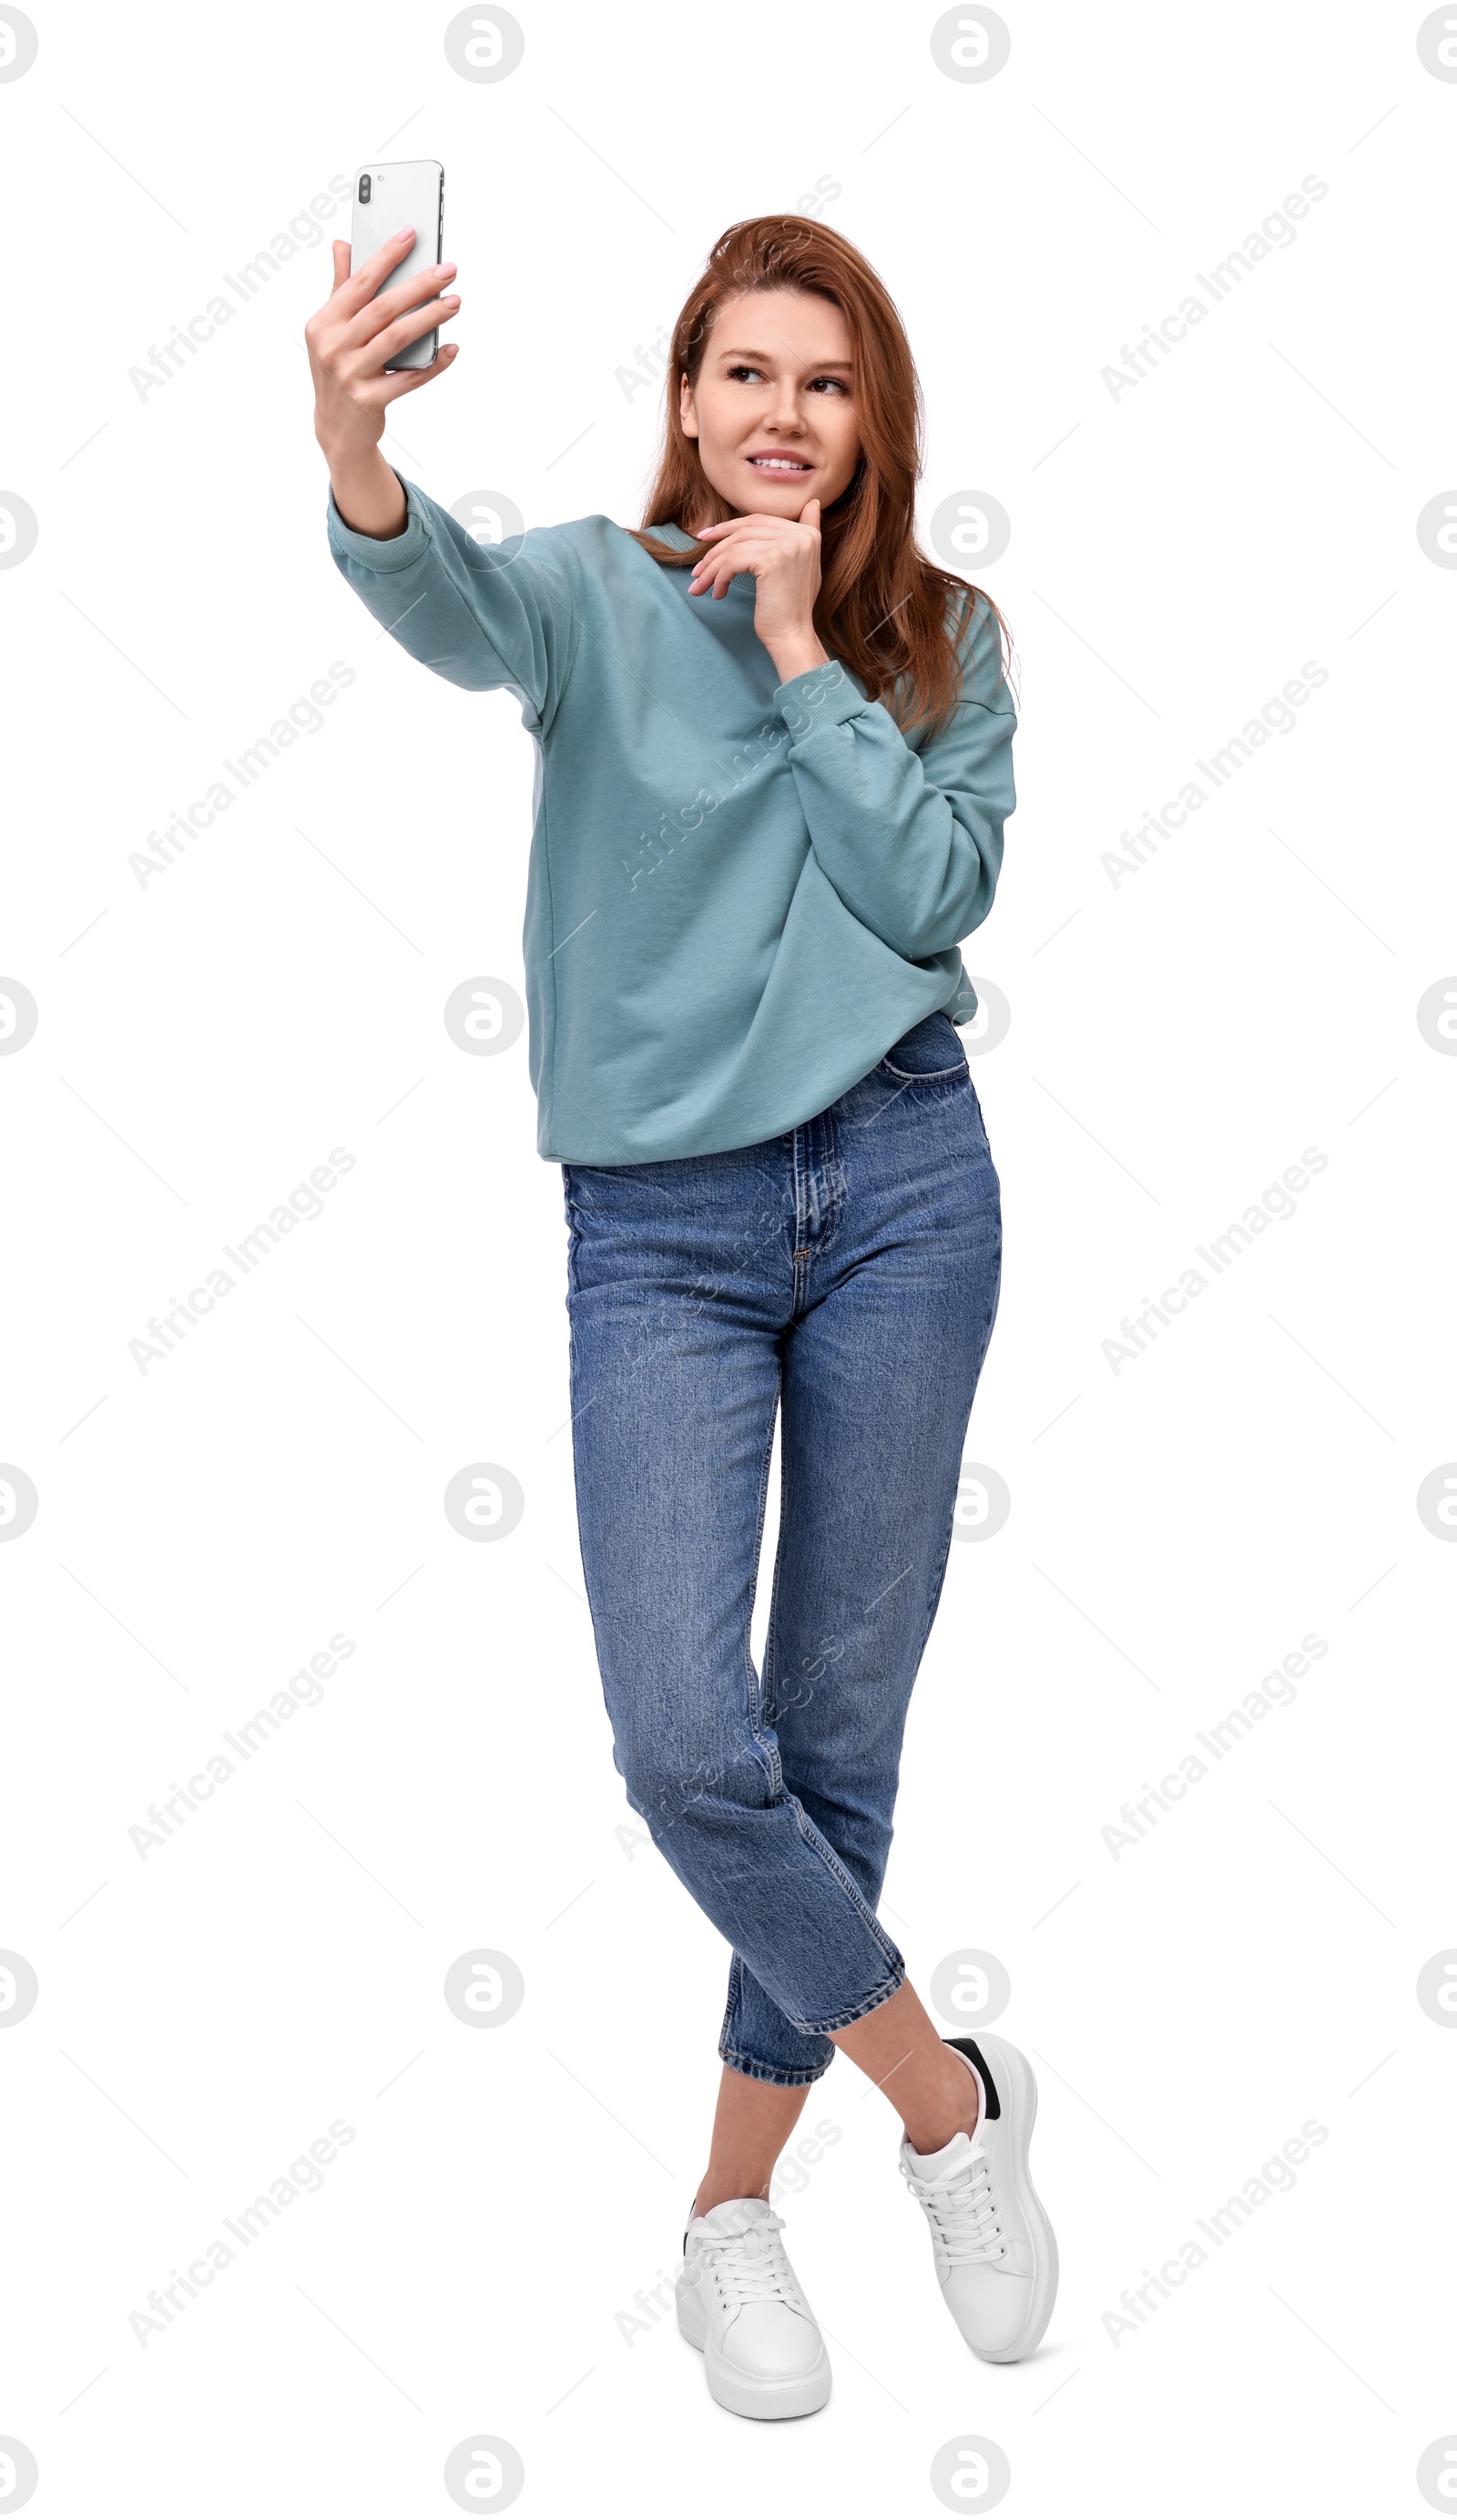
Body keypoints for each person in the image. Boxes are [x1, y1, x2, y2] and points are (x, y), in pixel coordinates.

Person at [308, 208, 1056, 2422]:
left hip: (907, 1184)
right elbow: (432, 593)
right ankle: (948, 2105)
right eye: (744, 374)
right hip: (660, 1231)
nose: (780, 416)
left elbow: (932, 889)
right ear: (681, 399)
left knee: (832, 1735)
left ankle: (726, 2211)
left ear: (870, 420)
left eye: (824, 383)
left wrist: (816, 654)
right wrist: (355, 443)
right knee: (677, 1743)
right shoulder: (594, 602)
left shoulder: (942, 636)